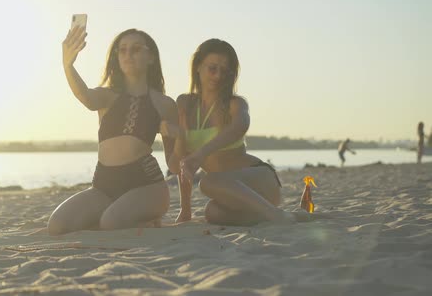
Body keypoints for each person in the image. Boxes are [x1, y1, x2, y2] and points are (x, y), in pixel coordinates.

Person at [47, 26, 178, 235]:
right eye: (122, 50)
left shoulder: (165, 104)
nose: (128, 54)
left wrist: (179, 135)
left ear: (151, 57)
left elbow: (175, 164)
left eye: (135, 49)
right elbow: (86, 98)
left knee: (111, 223)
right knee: (58, 226)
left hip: (147, 186)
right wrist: (68, 65)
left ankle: (147, 218)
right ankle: (125, 215)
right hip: (104, 186)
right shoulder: (107, 96)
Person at [165, 38, 297, 226]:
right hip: (230, 194)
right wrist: (185, 211)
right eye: (212, 68)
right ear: (198, 67)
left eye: (225, 71)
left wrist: (201, 153)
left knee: (207, 182)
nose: (218, 76)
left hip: (257, 181)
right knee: (213, 213)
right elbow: (178, 166)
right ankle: (272, 216)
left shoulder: (235, 104)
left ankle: (276, 215)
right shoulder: (185, 103)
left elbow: (239, 127)